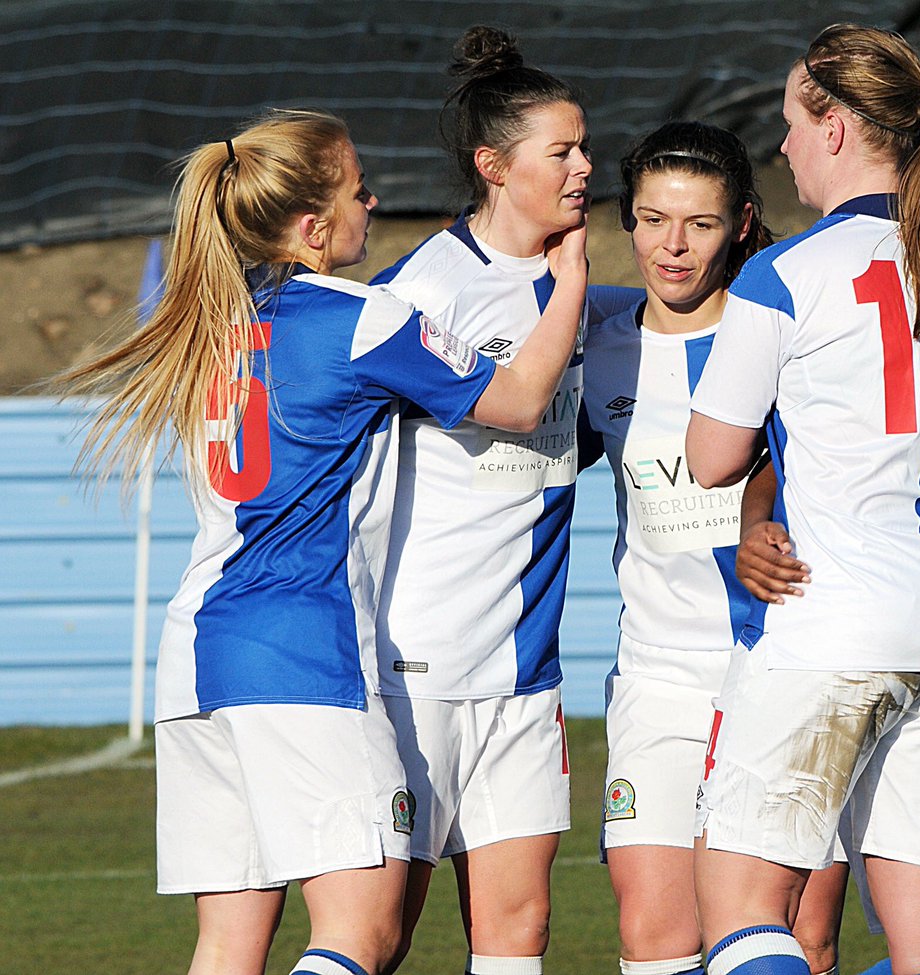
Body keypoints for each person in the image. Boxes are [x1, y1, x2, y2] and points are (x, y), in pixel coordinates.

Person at [61, 108, 586, 975]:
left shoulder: (213, 327)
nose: (373, 202)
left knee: (228, 944)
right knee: (361, 933)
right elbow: (524, 400)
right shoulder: (363, 318)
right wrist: (568, 279)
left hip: (195, 653)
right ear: (312, 227)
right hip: (301, 654)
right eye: (356, 190)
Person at [685, 23, 920, 975]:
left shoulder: (785, 274)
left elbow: (711, 457)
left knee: (742, 915)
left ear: (837, 128)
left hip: (826, 623)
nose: (780, 147)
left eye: (789, 123)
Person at [367, 26, 604, 975]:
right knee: (376, 933)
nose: (587, 166)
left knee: (518, 934)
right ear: (492, 166)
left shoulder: (592, 289)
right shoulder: (423, 291)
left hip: (525, 670)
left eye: (585, 145)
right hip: (416, 663)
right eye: (562, 151)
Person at [579, 120, 786, 975]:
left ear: (739, 223)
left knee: (795, 940)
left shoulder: (779, 326)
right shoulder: (593, 342)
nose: (672, 245)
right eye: (653, 218)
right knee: (654, 939)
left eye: (699, 224)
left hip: (779, 670)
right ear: (626, 219)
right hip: (656, 678)